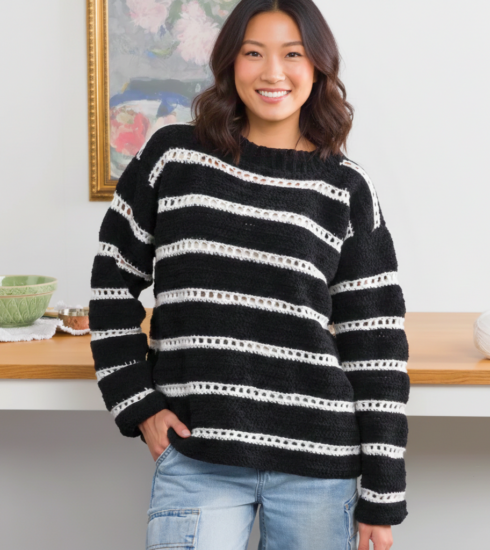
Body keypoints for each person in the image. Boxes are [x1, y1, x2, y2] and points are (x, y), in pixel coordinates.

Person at [89, 1, 410, 549]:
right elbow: (111, 283)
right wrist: (138, 403)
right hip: (199, 456)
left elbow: (376, 346)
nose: (273, 72)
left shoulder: (346, 189)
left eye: (293, 55)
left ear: (318, 67)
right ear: (229, 62)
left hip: (317, 465)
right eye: (253, 53)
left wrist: (382, 491)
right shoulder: (172, 157)